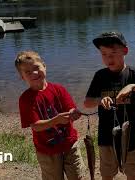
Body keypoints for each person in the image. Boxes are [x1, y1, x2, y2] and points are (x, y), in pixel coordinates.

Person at [84, 31, 135, 180]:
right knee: (107, 173)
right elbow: (87, 102)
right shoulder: (100, 76)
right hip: (106, 137)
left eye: (113, 53)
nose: (108, 58)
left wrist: (132, 86)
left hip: (131, 137)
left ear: (125, 50)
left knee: (132, 173)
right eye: (104, 54)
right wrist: (101, 100)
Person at [15, 51, 86, 180]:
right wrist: (56, 120)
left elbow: (71, 108)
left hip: (70, 144)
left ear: (44, 66)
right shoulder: (25, 99)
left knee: (77, 176)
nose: (34, 73)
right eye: (28, 72)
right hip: (47, 150)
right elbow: (36, 126)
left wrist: (74, 113)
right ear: (22, 77)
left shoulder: (59, 89)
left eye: (36, 68)